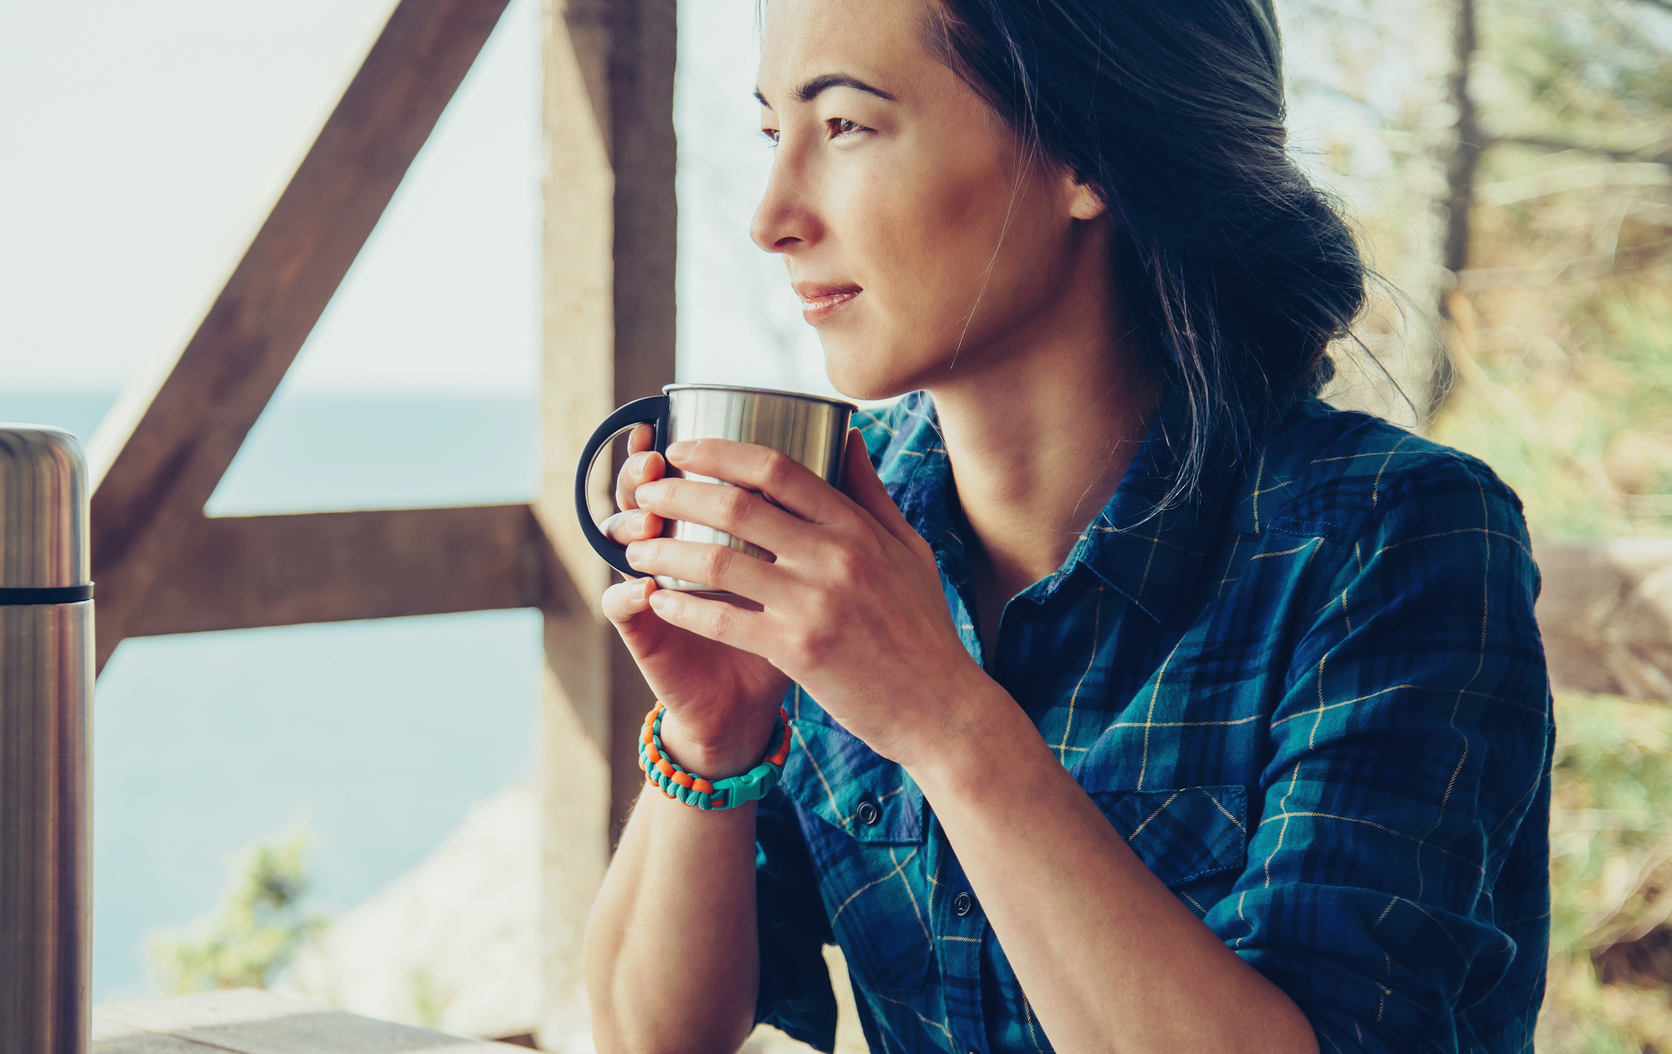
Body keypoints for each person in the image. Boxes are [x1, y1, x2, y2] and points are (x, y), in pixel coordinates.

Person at [582, 0, 1553, 1052]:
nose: (771, 213)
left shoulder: (1388, 542)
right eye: (776, 132)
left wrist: (948, 724)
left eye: (846, 126)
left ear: (1084, 151)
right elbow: (648, 1036)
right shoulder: (849, 532)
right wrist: (712, 738)